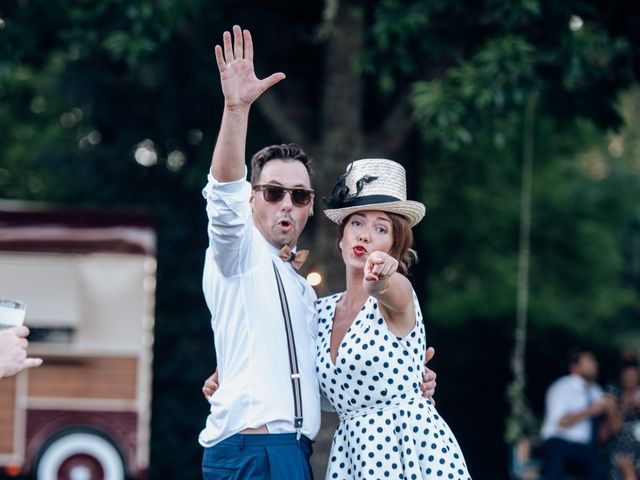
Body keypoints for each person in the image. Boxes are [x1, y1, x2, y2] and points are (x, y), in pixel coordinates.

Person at [199, 25, 436, 480]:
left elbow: (328, 376)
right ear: (252, 200)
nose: (286, 203)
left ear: (311, 210)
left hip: (296, 453)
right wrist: (236, 109)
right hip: (256, 448)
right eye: (272, 192)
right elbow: (224, 194)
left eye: (300, 196)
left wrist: (409, 381)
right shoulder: (237, 250)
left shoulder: (308, 297)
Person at [313, 158, 471, 479]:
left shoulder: (397, 295)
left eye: (381, 228)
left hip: (408, 448)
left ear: (395, 246)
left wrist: (383, 276)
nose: (366, 235)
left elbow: (391, 286)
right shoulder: (320, 311)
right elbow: (320, 395)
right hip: (352, 454)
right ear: (341, 237)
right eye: (357, 223)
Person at [540, 347, 614, 480]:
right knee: (556, 465)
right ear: (575, 367)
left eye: (594, 361)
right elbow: (560, 422)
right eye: (589, 361)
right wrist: (591, 411)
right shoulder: (562, 387)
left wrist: (611, 411)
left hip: (584, 447)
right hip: (558, 440)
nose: (595, 364)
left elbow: (603, 432)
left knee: (599, 470)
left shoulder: (597, 391)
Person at [602, 355, 640, 480]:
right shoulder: (613, 393)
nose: (630, 378)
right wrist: (624, 407)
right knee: (628, 470)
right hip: (620, 450)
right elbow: (614, 428)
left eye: (633, 375)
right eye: (627, 375)